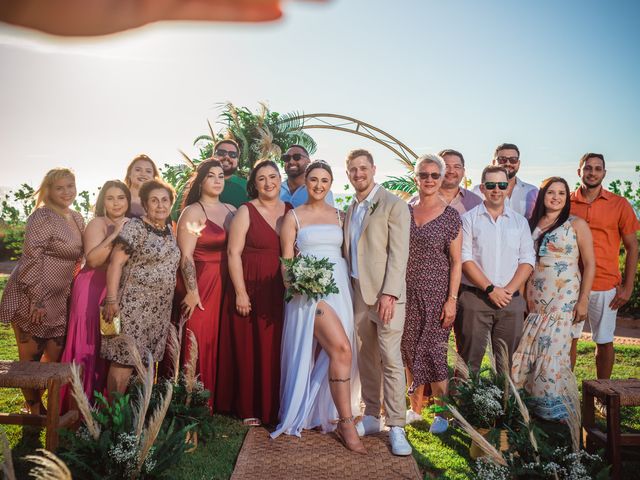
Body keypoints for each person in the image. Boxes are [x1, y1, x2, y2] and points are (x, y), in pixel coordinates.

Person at [271, 161, 365, 455]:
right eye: (314, 179)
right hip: (311, 292)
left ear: (331, 183)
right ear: (306, 182)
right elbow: (286, 261)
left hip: (340, 287)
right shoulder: (293, 217)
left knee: (340, 351)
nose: (319, 185)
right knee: (342, 349)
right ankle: (346, 422)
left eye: (325, 180)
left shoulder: (341, 216)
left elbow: (350, 255)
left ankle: (329, 412)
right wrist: (296, 282)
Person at [343, 149, 412, 456]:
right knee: (366, 356)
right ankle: (372, 415)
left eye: (363, 168)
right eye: (353, 170)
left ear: (373, 169)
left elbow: (399, 254)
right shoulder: (350, 206)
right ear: (348, 174)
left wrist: (390, 293)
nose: (358, 174)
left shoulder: (394, 205)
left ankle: (396, 425)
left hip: (387, 295)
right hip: (358, 292)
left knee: (391, 358)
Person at [0, 168, 84, 414]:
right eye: (60, 187)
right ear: (48, 190)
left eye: (70, 186)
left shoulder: (76, 217)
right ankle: (34, 409)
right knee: (31, 359)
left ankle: (36, 404)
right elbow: (31, 259)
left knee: (55, 357)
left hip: (59, 297)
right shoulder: (42, 217)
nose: (67, 192)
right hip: (32, 293)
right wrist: (36, 300)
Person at [511, 177, 595, 420]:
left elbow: (589, 264)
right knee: (530, 350)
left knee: (553, 349)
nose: (556, 197)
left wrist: (583, 300)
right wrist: (524, 294)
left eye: (561, 193)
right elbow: (526, 262)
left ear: (566, 198)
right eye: (551, 192)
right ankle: (530, 408)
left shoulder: (576, 224)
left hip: (564, 299)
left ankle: (555, 414)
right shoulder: (532, 225)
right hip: (536, 301)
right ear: (543, 196)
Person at [215, 160, 291, 426]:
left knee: (275, 346)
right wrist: (240, 292)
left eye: (273, 176)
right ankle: (248, 406)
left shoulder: (291, 211)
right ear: (254, 184)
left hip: (280, 286)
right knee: (249, 345)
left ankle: (275, 406)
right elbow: (233, 253)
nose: (269, 183)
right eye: (262, 178)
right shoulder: (246, 211)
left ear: (280, 179)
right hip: (250, 282)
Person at [100, 179, 180, 396]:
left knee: (146, 362)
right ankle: (114, 419)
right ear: (145, 204)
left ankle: (135, 417)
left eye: (165, 200)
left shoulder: (169, 230)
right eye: (154, 201)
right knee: (125, 361)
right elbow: (116, 263)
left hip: (159, 310)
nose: (160, 205)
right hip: (133, 307)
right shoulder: (136, 227)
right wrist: (111, 299)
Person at [402, 154, 462, 434]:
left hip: (437, 294)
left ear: (441, 178)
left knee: (436, 354)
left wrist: (452, 300)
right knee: (410, 349)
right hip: (407, 291)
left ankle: (441, 414)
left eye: (434, 175)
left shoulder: (451, 216)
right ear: (416, 178)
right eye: (423, 175)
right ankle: (415, 409)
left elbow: (457, 262)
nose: (428, 180)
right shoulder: (404, 210)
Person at [456, 165, 535, 372]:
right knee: (468, 362)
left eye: (502, 185)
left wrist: (507, 291)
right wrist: (491, 289)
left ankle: (505, 404)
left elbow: (527, 260)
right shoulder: (468, 219)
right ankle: (463, 404)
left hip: (511, 300)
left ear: (508, 187)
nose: (497, 189)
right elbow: (465, 259)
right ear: (482, 188)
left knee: (506, 364)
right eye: (491, 185)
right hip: (476, 299)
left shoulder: (520, 222)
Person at [60, 180, 130, 410]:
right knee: (87, 343)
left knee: (107, 343)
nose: (116, 202)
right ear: (103, 202)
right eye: (110, 198)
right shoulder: (98, 223)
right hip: (91, 287)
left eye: (121, 197)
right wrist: (117, 234)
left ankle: (101, 408)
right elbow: (92, 259)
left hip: (113, 287)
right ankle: (77, 407)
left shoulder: (134, 223)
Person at [569, 153, 640, 378]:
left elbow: (632, 247)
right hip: (571, 283)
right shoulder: (565, 202)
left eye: (597, 169)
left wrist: (628, 287)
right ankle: (566, 392)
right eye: (588, 168)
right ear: (579, 171)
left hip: (605, 284)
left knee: (604, 340)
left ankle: (602, 392)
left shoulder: (619, 204)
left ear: (604, 173)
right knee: (569, 339)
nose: (592, 172)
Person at [172, 160, 235, 409]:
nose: (218, 180)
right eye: (211, 176)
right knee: (196, 336)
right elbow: (185, 255)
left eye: (221, 176)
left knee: (221, 338)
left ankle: (217, 398)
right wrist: (191, 290)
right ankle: (189, 401)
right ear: (201, 181)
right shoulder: (194, 212)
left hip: (226, 282)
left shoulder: (231, 210)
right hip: (201, 283)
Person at [473, 143, 538, 218]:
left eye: (513, 160)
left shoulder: (532, 191)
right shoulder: (477, 191)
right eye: (502, 160)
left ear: (518, 163)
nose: (508, 163)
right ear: (494, 163)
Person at [436, 149, 482, 214]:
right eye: (446, 166)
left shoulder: (477, 203)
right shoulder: (419, 201)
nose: (451, 171)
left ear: (463, 172)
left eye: (457, 167)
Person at [215, 139, 249, 208]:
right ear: (213, 156)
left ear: (237, 160)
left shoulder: (247, 187)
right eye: (221, 152)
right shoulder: (196, 183)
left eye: (233, 154)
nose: (227, 157)